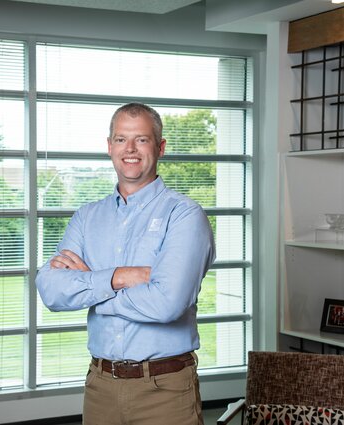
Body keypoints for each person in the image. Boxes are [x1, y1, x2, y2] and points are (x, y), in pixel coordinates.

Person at [36, 102, 216, 425]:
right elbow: (51, 290)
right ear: (109, 147)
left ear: (160, 147)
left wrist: (93, 287)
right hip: (100, 387)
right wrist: (120, 277)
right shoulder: (86, 217)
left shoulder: (185, 216)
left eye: (141, 139)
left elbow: (167, 304)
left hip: (165, 391)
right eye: (121, 139)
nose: (130, 149)